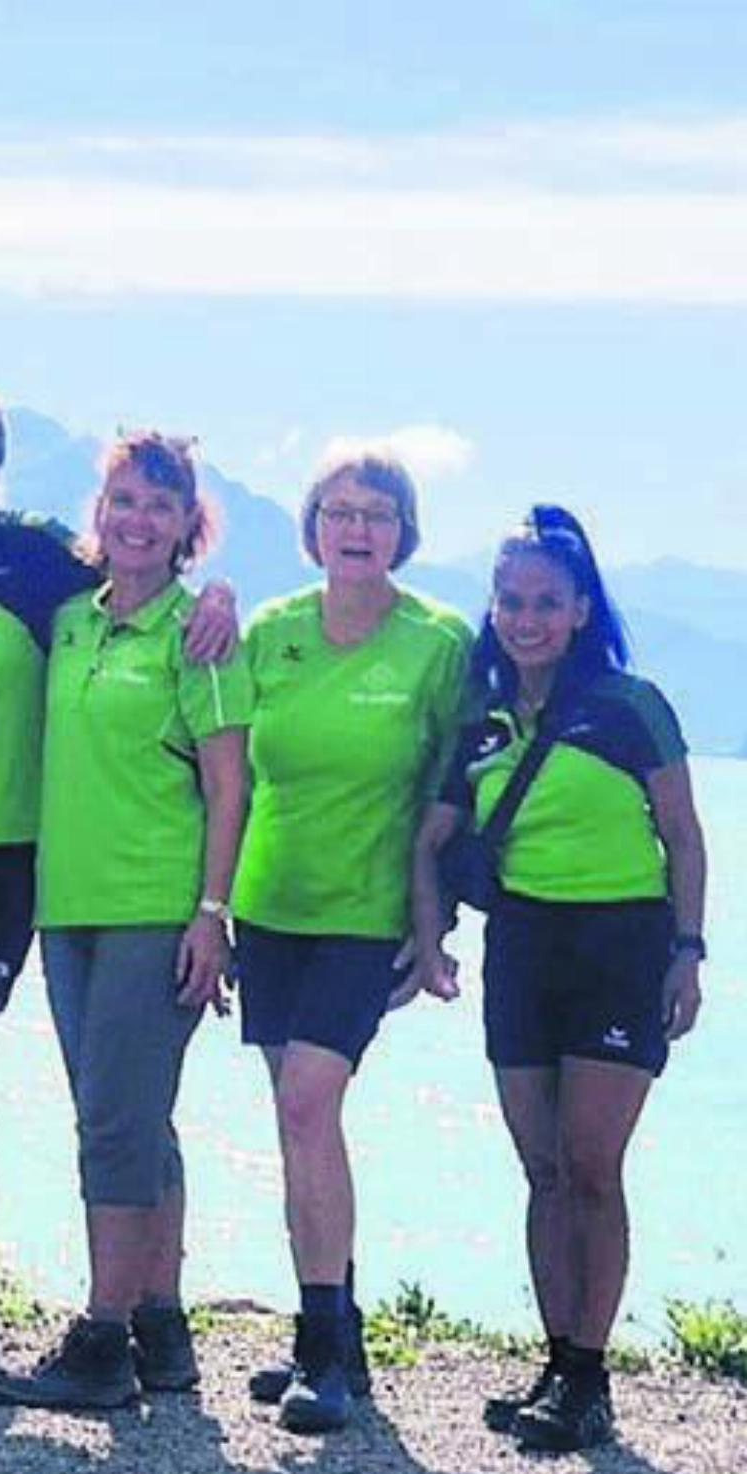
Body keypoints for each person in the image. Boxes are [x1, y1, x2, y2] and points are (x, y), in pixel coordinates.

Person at [408, 506, 705, 1453]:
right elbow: (433, 839)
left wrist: (689, 951)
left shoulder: (629, 705)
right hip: (525, 949)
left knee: (590, 1165)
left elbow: (685, 838)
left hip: (621, 947)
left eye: (546, 602)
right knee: (540, 1168)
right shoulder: (483, 718)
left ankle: (588, 1374)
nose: (526, 618)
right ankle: (557, 1360)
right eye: (510, 601)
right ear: (492, 610)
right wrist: (428, 941)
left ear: (581, 609)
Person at [0, 432, 251, 1410]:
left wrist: (212, 914)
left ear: (188, 526)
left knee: (113, 1122)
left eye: (160, 504)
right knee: (136, 1119)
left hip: (156, 908)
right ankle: (160, 1328)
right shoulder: (71, 622)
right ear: (101, 511)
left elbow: (231, 786)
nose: (137, 519)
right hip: (71, 909)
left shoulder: (202, 633)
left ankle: (99, 1342)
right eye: (123, 499)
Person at [232, 447, 471, 1432]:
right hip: (267, 906)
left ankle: (322, 1351)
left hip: (365, 915)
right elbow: (229, 774)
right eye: (341, 510)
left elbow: (457, 788)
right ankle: (330, 1330)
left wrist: (436, 917)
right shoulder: (270, 630)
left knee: (305, 1102)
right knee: (300, 1124)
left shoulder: (439, 641)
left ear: (403, 531)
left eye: (378, 513)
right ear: (314, 523)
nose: (358, 528)